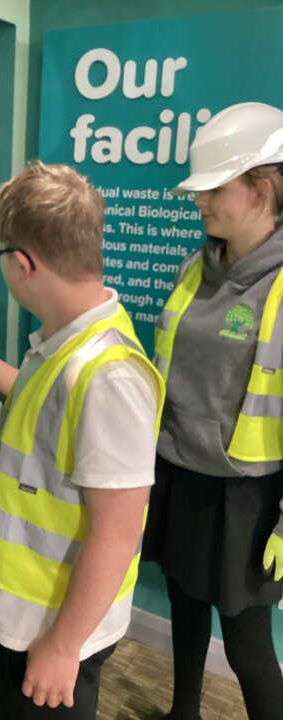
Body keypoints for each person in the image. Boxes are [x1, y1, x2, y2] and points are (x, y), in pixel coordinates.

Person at [0, 161, 165, 719]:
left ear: (23, 262)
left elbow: (117, 533)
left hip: (54, 628)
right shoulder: (64, 345)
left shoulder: (108, 376)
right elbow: (40, 407)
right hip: (26, 614)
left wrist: (61, 647)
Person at [144, 102, 283, 720]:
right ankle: (183, 714)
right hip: (179, 473)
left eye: (214, 189)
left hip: (248, 497)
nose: (199, 202)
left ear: (262, 189)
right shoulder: (193, 268)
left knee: (249, 647)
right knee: (184, 608)